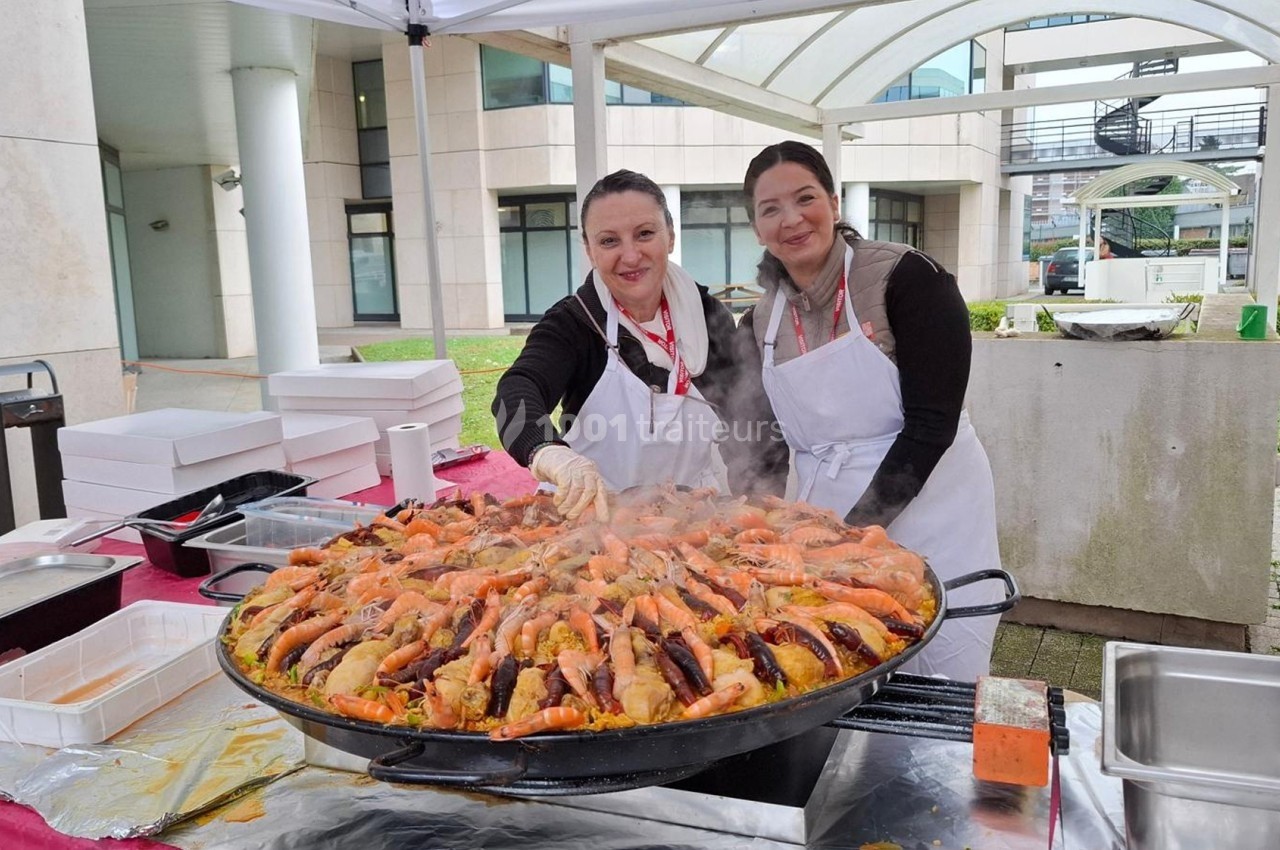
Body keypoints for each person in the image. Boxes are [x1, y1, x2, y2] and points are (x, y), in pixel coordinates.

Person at [733, 141, 1003, 681]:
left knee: (945, 667)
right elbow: (764, 444)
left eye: (804, 198)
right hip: (825, 516)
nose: (792, 219)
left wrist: (854, 537)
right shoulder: (760, 323)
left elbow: (932, 425)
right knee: (842, 663)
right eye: (770, 209)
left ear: (833, 204)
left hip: (932, 504)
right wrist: (748, 522)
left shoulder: (910, 279)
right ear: (757, 229)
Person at [493, 169, 743, 521]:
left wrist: (758, 493)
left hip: (691, 516)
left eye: (644, 234)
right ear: (589, 250)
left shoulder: (706, 314)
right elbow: (517, 389)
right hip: (592, 518)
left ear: (670, 236)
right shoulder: (574, 323)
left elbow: (746, 415)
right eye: (609, 241)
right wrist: (548, 451)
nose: (630, 255)